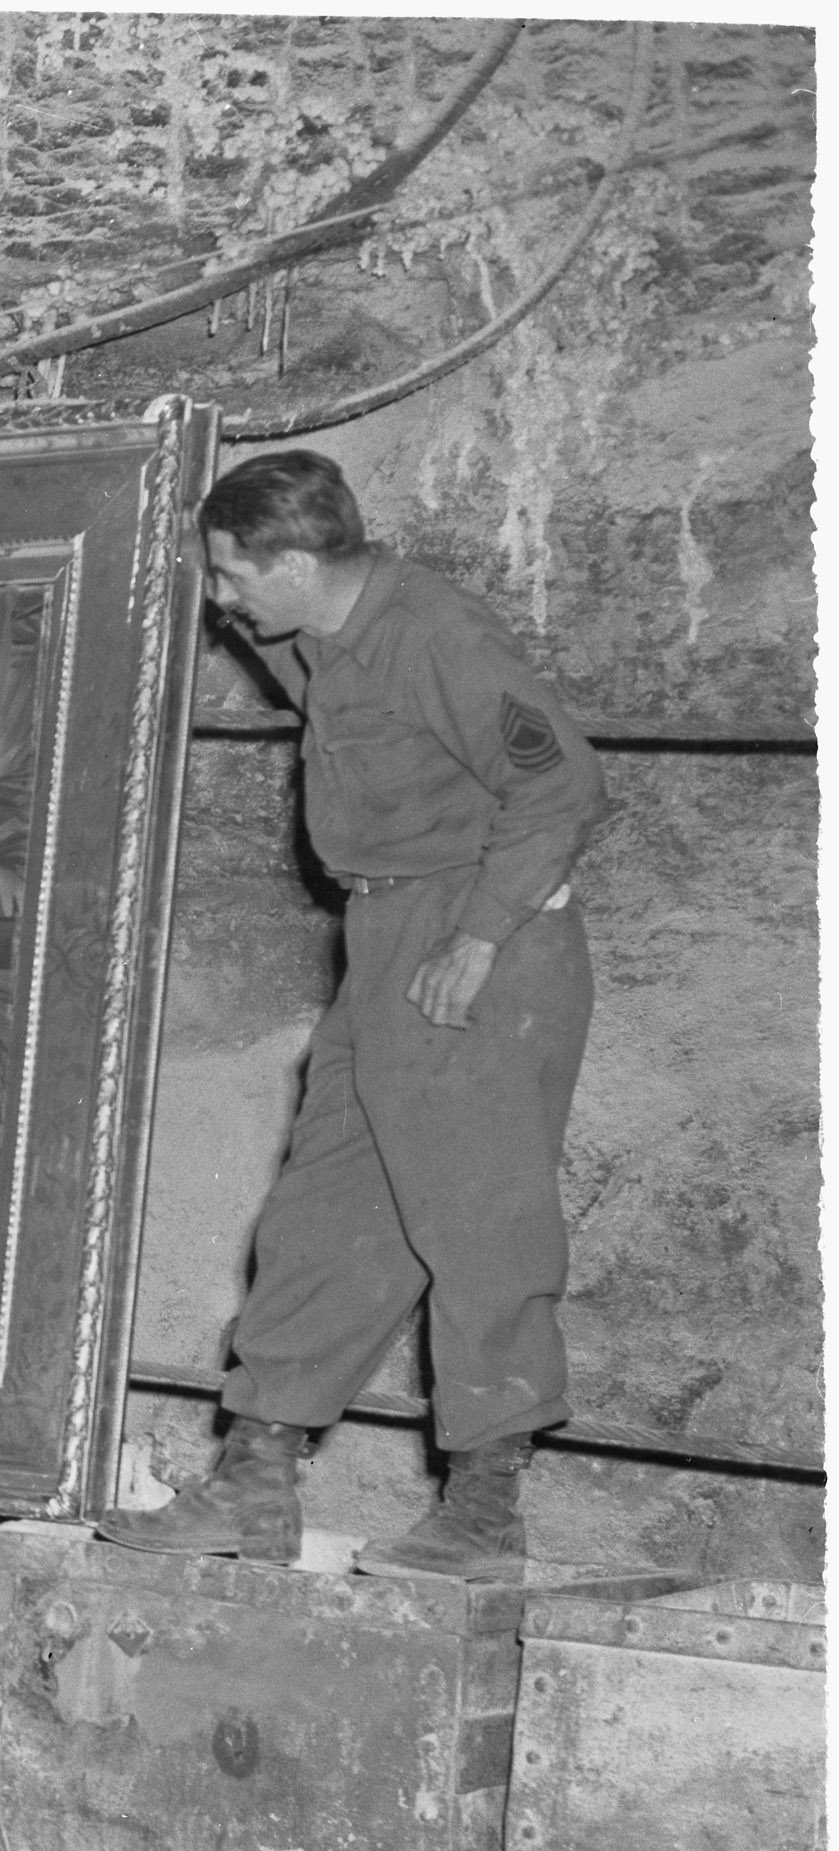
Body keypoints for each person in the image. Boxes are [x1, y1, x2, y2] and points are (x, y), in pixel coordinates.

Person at [100, 449, 608, 1579]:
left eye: (230, 578)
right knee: (325, 1203)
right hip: (382, 940)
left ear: (293, 561)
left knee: (477, 1218)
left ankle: (484, 1513)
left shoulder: (436, 632)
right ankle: (256, 1485)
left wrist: (481, 936)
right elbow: (305, 675)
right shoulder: (319, 636)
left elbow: (561, 784)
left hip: (476, 939)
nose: (219, 600)